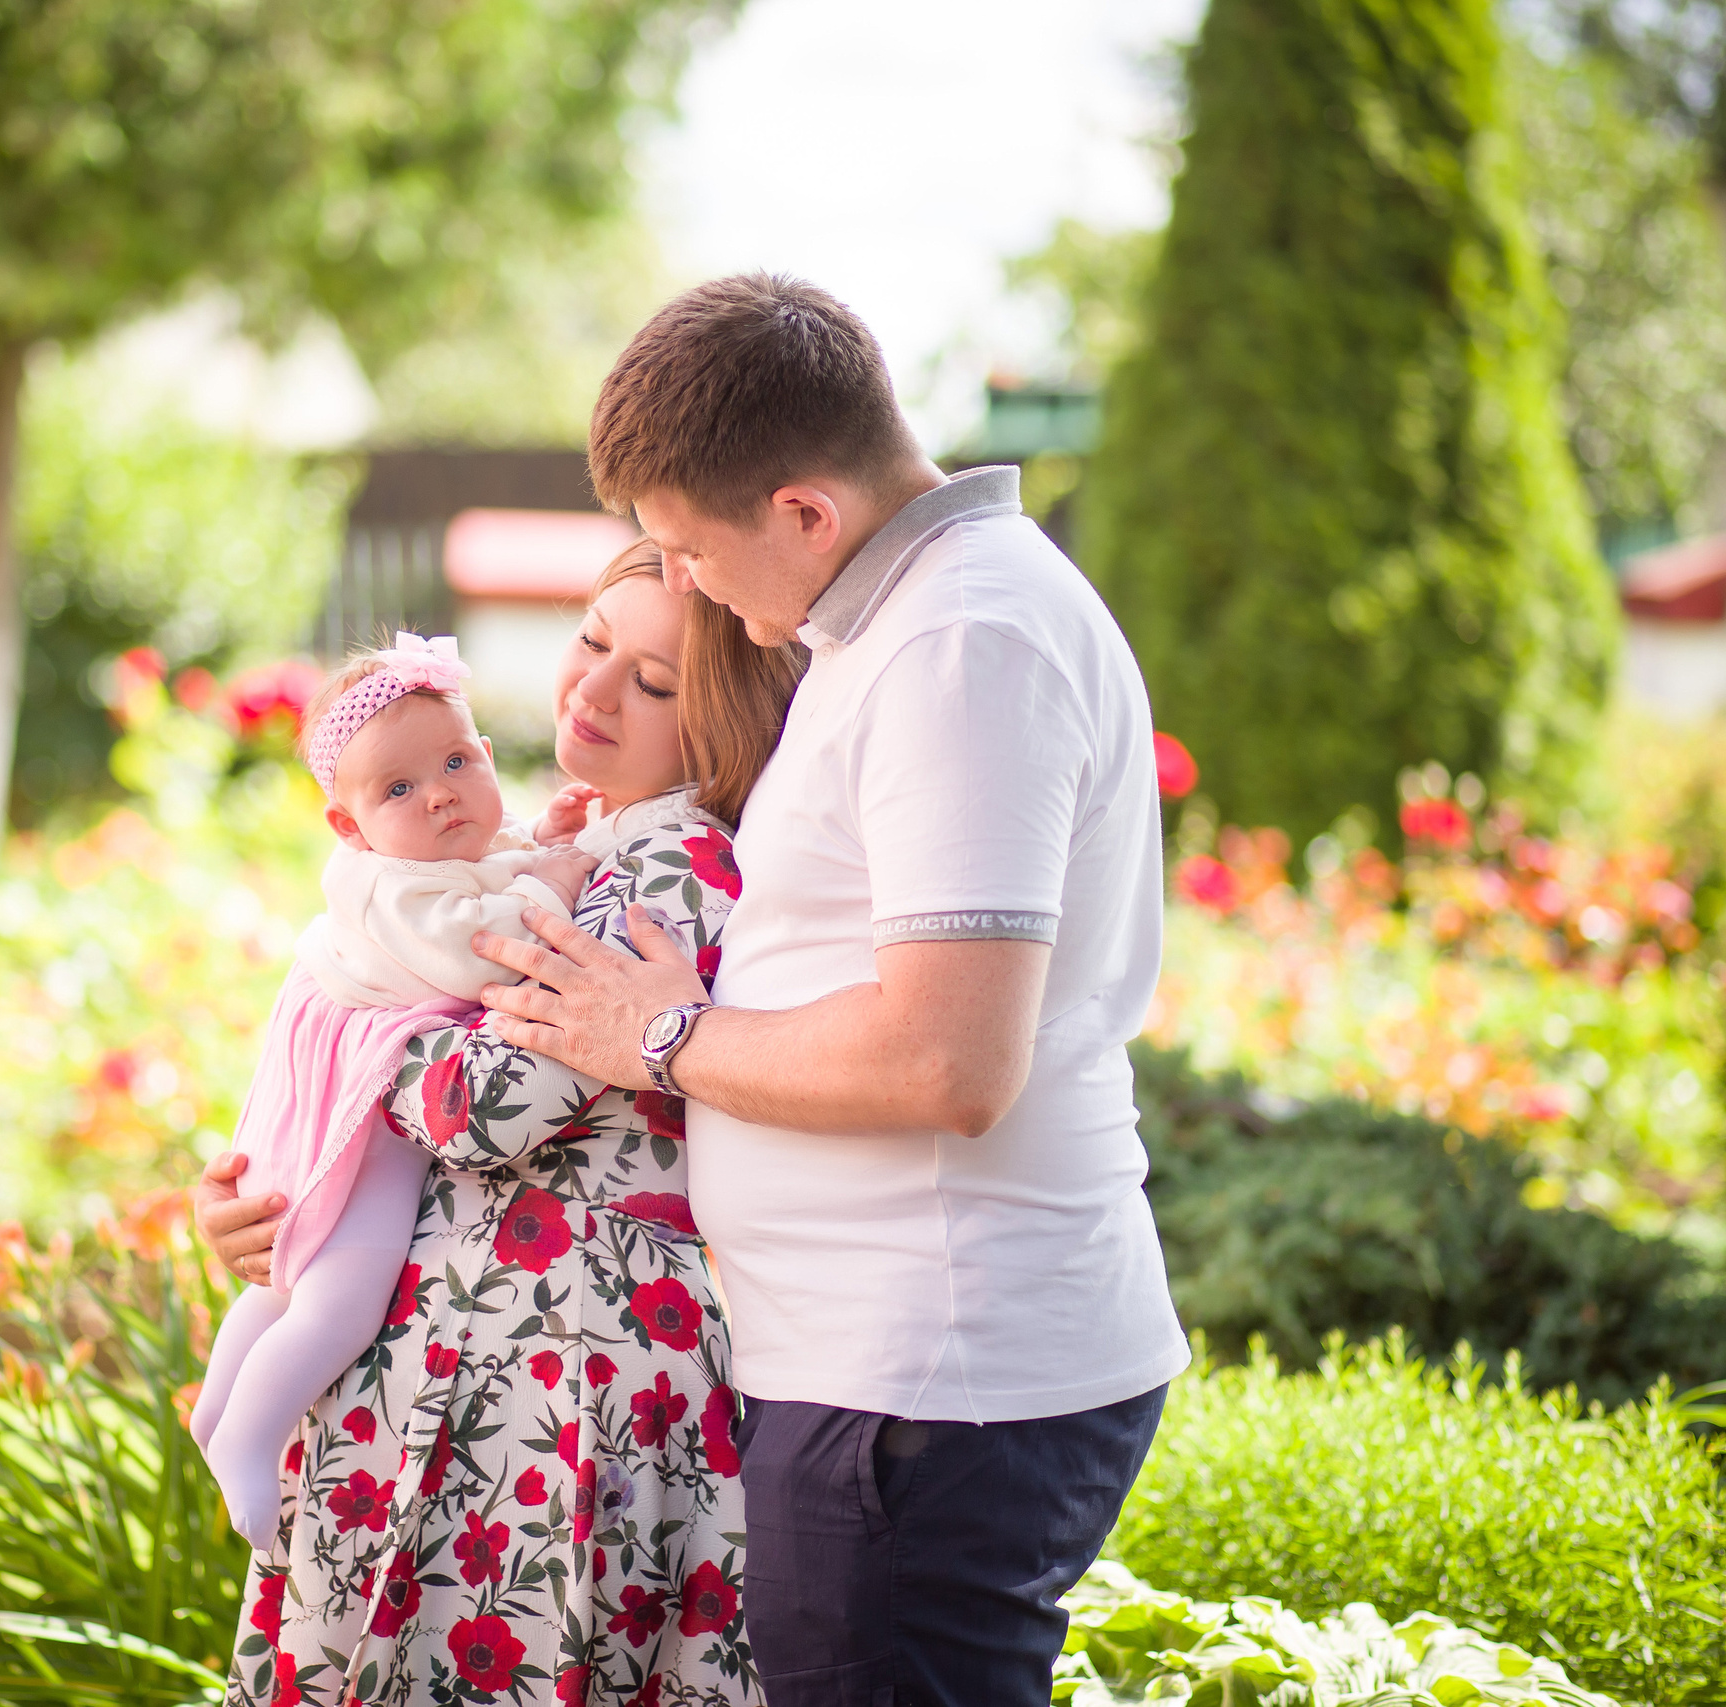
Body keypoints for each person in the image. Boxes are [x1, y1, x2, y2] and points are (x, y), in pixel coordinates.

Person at [468, 274, 1189, 1706]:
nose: (687, 584)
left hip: (932, 1384)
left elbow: (947, 1062)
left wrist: (658, 1031)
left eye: (689, 546)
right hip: (897, 1375)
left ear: (804, 509)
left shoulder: (961, 641)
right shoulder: (909, 622)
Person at [199, 542, 803, 1707]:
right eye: (591, 641)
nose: (593, 690)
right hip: (470, 1341)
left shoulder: (674, 859)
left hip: (561, 1354)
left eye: (656, 682)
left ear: (723, 717)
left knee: (518, 1650)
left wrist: (348, 1035)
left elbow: (488, 1106)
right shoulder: (571, 845)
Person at [189, 633, 602, 1547]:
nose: (443, 793)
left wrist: (546, 836)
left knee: (296, 1259)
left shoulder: (430, 852)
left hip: (358, 1062)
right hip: (360, 1086)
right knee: (346, 1277)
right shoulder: (381, 885)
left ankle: (218, 1407)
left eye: (457, 761)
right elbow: (472, 943)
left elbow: (484, 866)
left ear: (488, 756)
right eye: (400, 790)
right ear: (350, 825)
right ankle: (249, 1436)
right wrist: (558, 884)